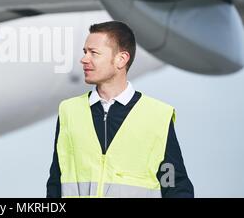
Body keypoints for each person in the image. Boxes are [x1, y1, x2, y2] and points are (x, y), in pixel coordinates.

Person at [46, 21, 194, 198]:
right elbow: (56, 181)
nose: (84, 59)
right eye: (85, 52)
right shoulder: (69, 111)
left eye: (94, 53)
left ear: (121, 59)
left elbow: (175, 185)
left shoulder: (157, 116)